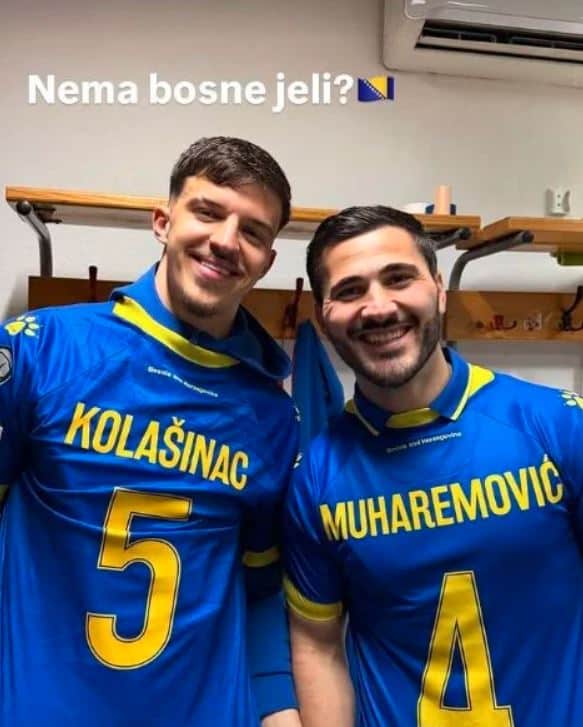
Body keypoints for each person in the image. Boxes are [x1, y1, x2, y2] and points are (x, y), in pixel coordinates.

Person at [0, 136, 302, 726]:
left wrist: (279, 711)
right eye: (208, 212)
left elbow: (262, 588)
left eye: (252, 231)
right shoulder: (41, 351)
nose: (225, 241)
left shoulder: (271, 417)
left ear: (266, 261)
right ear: (163, 222)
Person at [283, 205, 583, 726]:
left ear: (439, 290)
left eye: (399, 278)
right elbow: (317, 646)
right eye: (350, 290)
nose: (379, 308)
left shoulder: (558, 426)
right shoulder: (316, 478)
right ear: (323, 316)